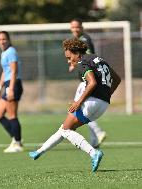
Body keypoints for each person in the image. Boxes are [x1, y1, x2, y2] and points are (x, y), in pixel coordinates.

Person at [28, 38, 121, 172]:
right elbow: (117, 79)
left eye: (69, 57)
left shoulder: (83, 62)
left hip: (91, 102)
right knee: (65, 128)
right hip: (103, 104)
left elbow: (92, 83)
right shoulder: (98, 59)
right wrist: (107, 94)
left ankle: (94, 153)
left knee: (66, 130)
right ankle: (39, 151)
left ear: (77, 53)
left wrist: (79, 102)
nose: (68, 61)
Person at [70, 18, 106, 148]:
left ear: (82, 27)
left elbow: (88, 56)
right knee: (82, 110)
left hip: (86, 81)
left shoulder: (84, 40)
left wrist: (76, 64)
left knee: (76, 109)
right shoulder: (78, 39)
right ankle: (94, 140)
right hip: (84, 79)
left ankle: (98, 131)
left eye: (77, 27)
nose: (75, 29)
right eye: (73, 27)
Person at [0, 31, 24, 153]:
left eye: (4, 39)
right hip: (7, 84)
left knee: (12, 115)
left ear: (9, 40)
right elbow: (4, 72)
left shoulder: (11, 51)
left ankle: (17, 143)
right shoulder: (4, 53)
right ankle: (15, 138)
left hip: (14, 84)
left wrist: (10, 88)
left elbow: (14, 71)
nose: (2, 41)